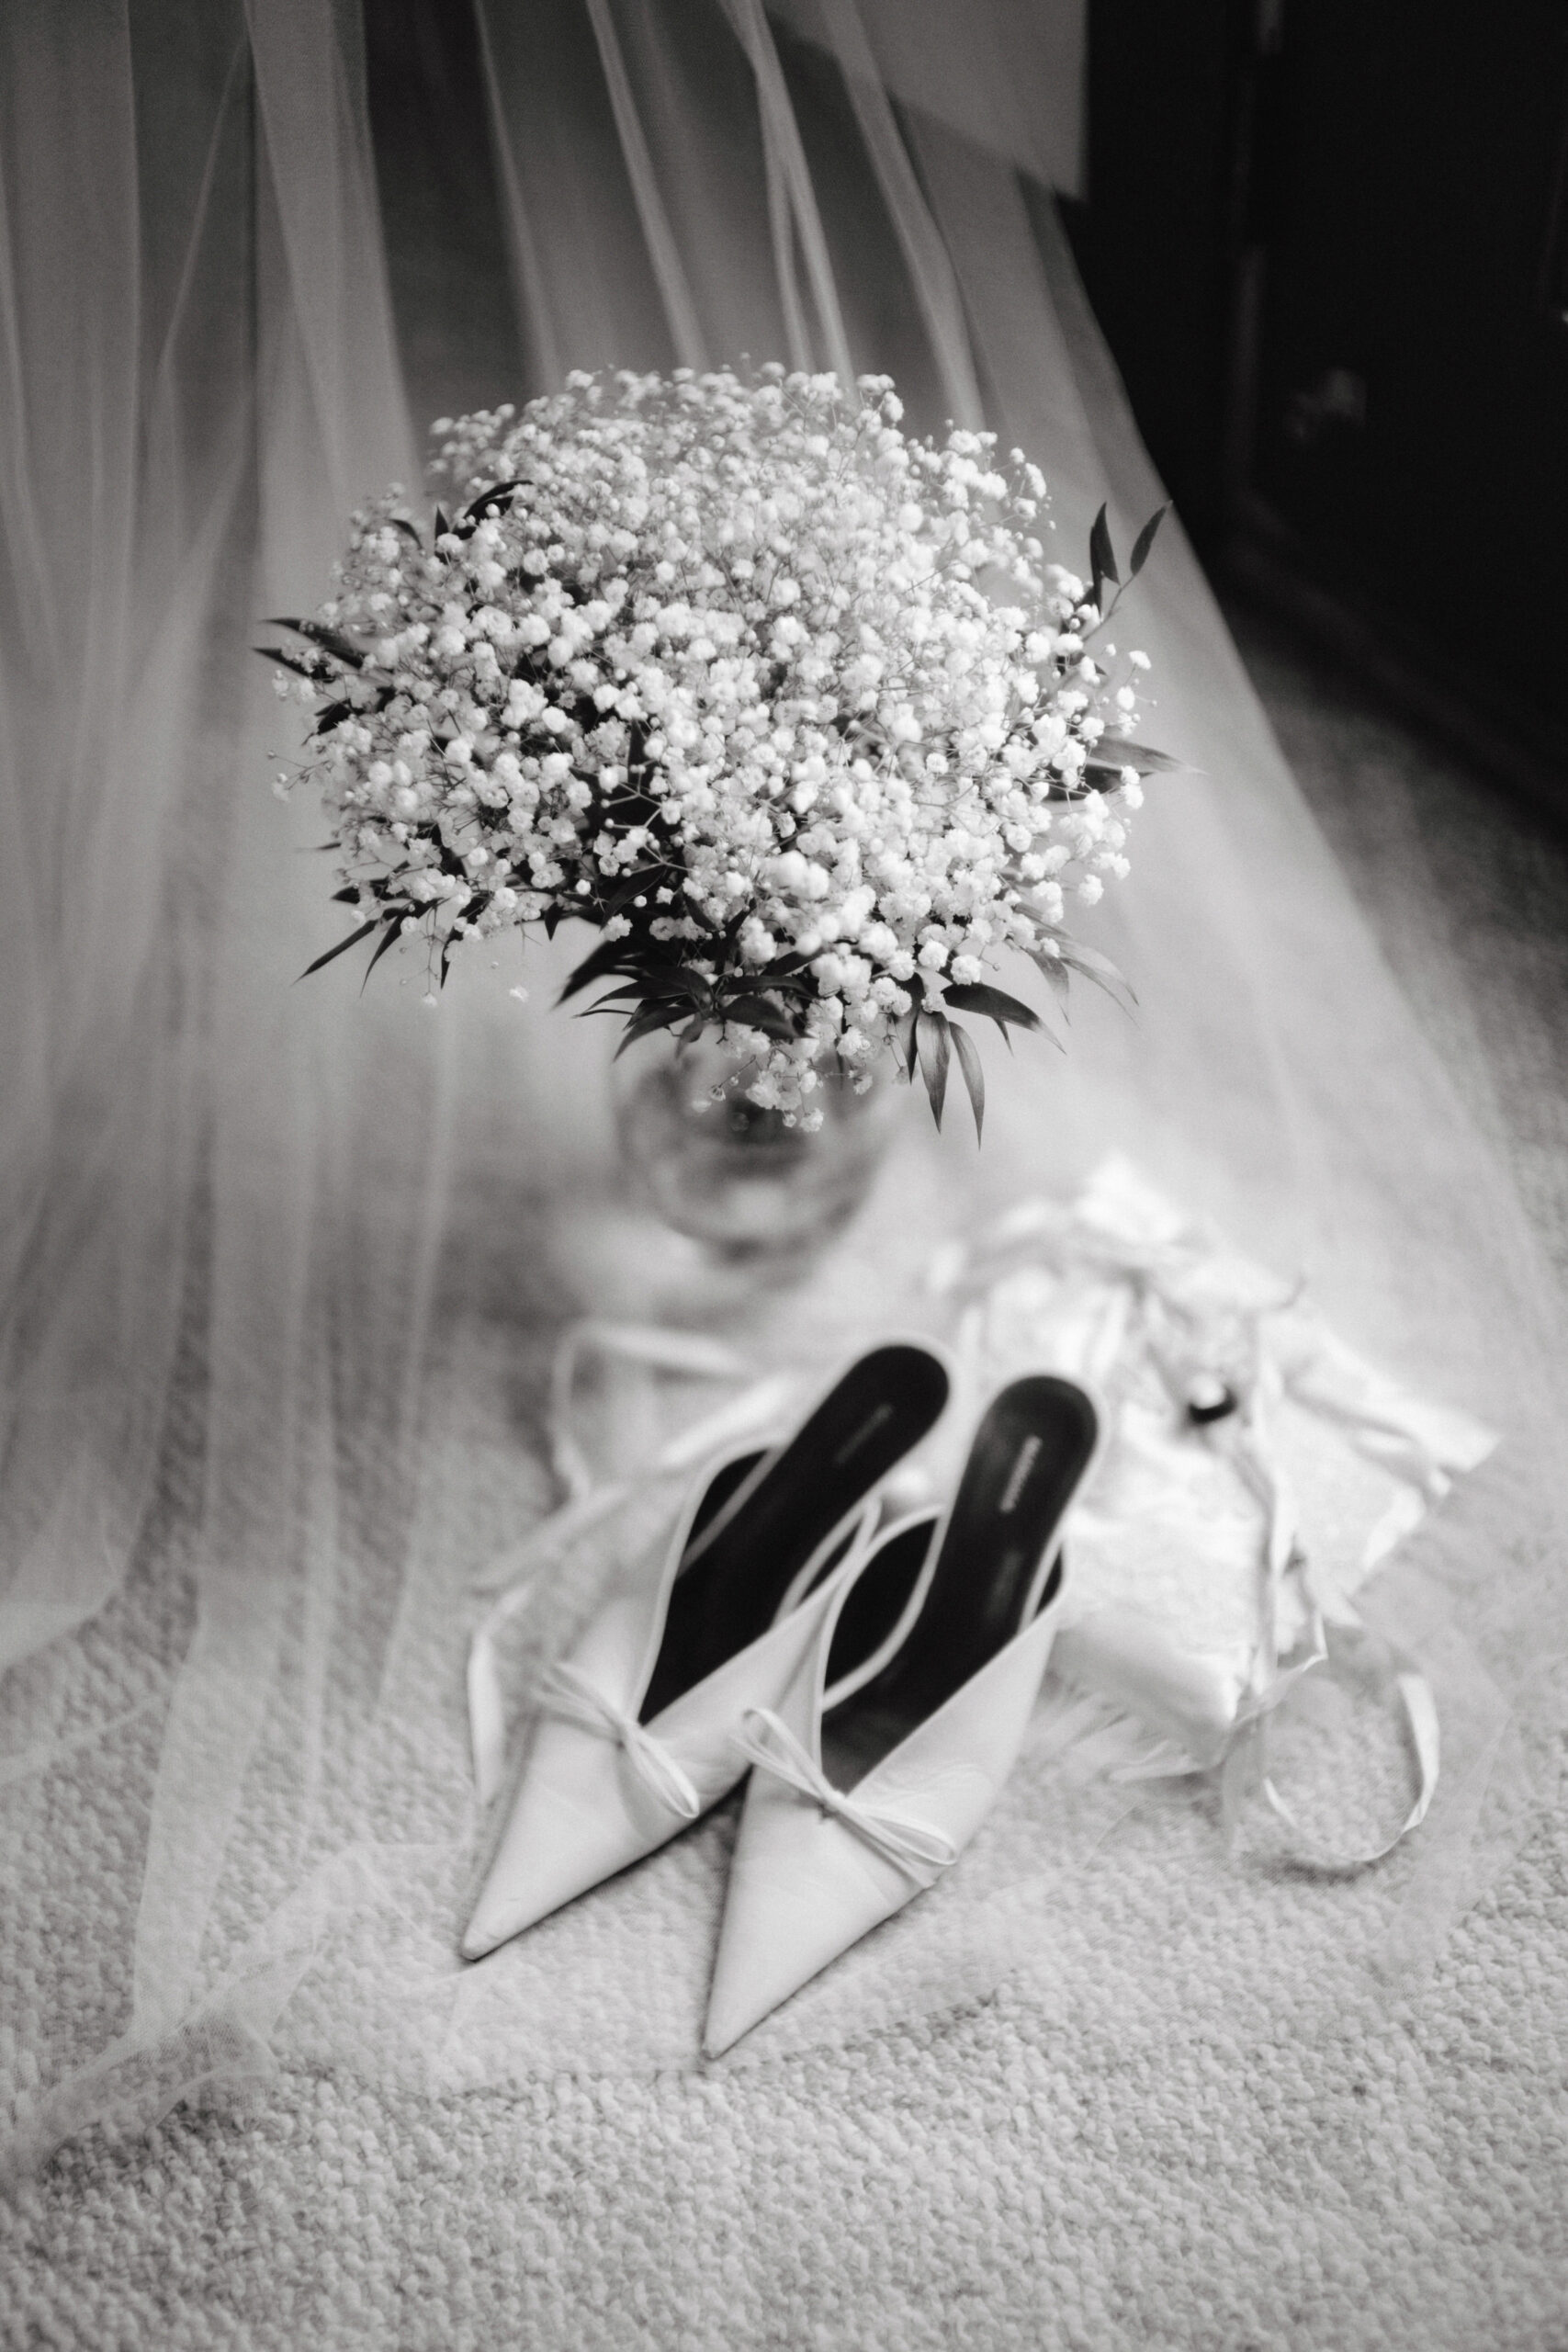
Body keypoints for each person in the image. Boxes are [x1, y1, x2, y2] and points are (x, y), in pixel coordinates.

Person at [2, 0, 1562, 2158]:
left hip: (816, 897)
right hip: (773, 869)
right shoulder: (689, 796)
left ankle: (857, 1575)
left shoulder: (891, 796)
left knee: (806, 1156)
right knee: (749, 1129)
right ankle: (798, 1540)